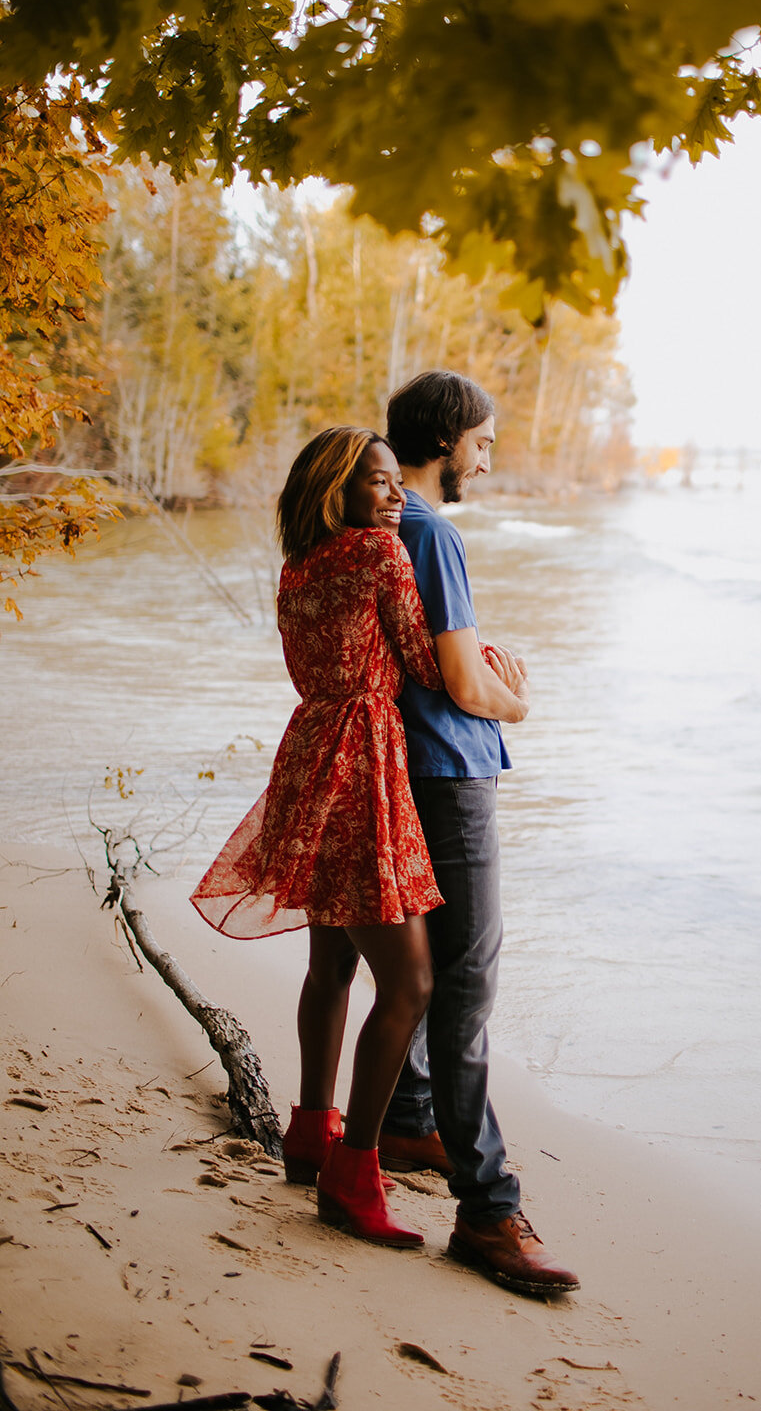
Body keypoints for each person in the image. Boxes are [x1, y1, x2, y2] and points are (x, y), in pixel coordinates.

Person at [190, 427, 446, 1250]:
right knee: (408, 982)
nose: (393, 493)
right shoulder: (378, 555)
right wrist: (502, 676)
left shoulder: (297, 567)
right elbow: (424, 664)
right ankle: (354, 1168)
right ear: (337, 491)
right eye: (375, 482)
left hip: (309, 749)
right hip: (361, 756)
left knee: (331, 960)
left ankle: (309, 1130)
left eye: (392, 480)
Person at [378, 369, 580, 1297]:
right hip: (452, 769)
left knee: (438, 968)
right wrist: (518, 703)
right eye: (484, 444)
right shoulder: (432, 533)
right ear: (447, 437)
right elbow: (463, 686)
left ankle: (411, 1117)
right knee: (468, 979)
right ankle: (487, 1210)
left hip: (404, 766)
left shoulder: (381, 527)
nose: (489, 462)